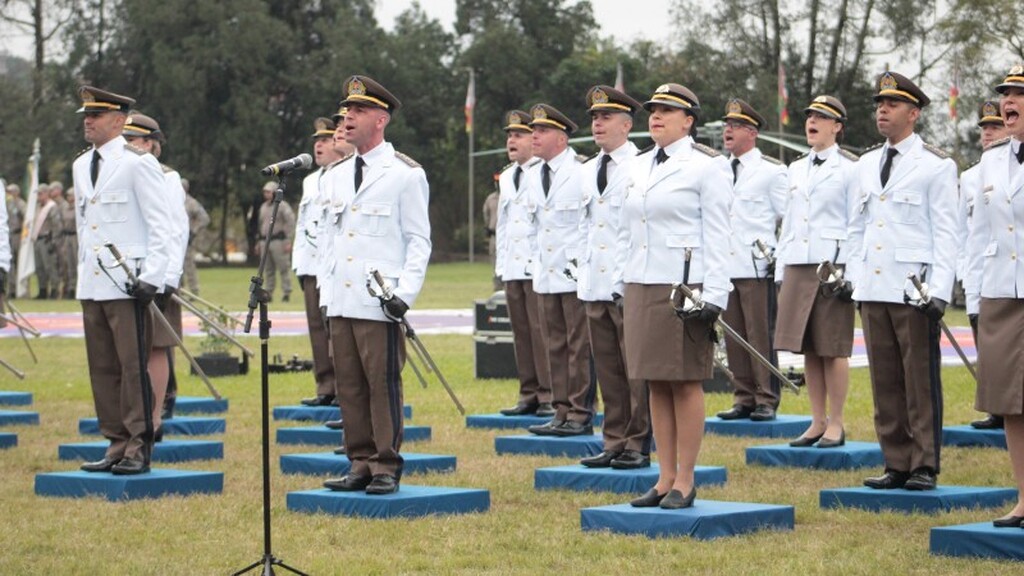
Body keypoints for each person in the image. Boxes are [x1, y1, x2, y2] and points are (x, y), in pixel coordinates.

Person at [617, 83, 731, 509]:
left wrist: (715, 294)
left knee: (683, 381)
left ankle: (686, 478)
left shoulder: (706, 166)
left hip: (684, 288)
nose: (657, 116)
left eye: (668, 110)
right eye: (653, 109)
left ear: (689, 120)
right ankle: (663, 477)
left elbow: (720, 233)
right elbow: (627, 229)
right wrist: (620, 282)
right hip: (642, 283)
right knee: (655, 382)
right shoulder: (639, 164)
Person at [320, 75, 431, 495]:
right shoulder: (336, 174)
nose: (348, 117)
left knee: (381, 383)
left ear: (380, 119)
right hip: (341, 297)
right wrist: (326, 294)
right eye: (347, 110)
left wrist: (404, 294)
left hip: (378, 299)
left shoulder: (404, 173)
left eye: (359, 111)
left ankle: (385, 463)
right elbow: (331, 239)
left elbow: (419, 240)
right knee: (348, 384)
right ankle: (359, 461)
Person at [853, 72, 958, 491]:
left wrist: (940, 289)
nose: (882, 109)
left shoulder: (936, 165)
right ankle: (895, 460)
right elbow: (856, 227)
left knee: (919, 378)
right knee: (885, 379)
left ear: (913, 114)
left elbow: (947, 232)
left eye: (892, 104)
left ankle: (924, 463)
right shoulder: (863, 164)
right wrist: (854, 277)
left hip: (913, 289)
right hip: (874, 287)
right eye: (880, 103)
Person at [73, 85, 174, 475]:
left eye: (95, 115)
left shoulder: (137, 163)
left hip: (127, 281)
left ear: (118, 121)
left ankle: (138, 446)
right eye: (86, 115)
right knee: (102, 367)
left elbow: (159, 223)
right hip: (94, 281)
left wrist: (153, 277)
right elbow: (87, 224)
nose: (88, 121)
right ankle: (115, 442)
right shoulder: (82, 165)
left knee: (133, 367)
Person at [775, 95, 861, 448]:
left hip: (831, 265)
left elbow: (857, 223)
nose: (812, 121)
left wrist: (850, 272)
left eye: (821, 117)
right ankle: (816, 420)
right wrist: (782, 268)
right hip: (798, 260)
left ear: (837, 126)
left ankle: (837, 423)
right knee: (807, 346)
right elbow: (789, 221)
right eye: (810, 115)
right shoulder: (796, 168)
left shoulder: (851, 169)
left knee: (833, 347)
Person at [575, 85, 651, 469]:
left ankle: (638, 442)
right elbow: (584, 226)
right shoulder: (586, 170)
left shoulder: (643, 166)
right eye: (594, 117)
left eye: (605, 117)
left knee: (634, 368)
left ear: (626, 124)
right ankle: (614, 438)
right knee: (607, 367)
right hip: (595, 284)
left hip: (629, 281)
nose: (597, 123)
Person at [966, 65, 1024, 528]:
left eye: (1019, 94)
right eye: (1006, 93)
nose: (1009, 101)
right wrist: (974, 296)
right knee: (1010, 402)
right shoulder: (990, 160)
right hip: (1002, 292)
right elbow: (978, 233)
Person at [523, 103, 596, 437]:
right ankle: (560, 409)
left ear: (562, 138)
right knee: (553, 344)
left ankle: (581, 412)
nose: (533, 136)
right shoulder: (532, 173)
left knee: (578, 345)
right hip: (546, 272)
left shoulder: (583, 171)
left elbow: (590, 223)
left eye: (541, 131)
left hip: (574, 274)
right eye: (533, 130)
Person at [717, 98, 788, 422]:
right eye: (726, 126)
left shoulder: (772, 172)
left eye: (734, 126)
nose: (727, 131)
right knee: (733, 335)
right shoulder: (718, 169)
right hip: (724, 266)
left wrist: (779, 258)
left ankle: (766, 397)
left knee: (760, 334)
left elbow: (790, 218)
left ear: (752, 132)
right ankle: (743, 395)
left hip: (756, 266)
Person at [122, 111, 189, 439]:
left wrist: (167, 278)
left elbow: (175, 230)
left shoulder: (166, 177)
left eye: (132, 140)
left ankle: (155, 419)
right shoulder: (119, 172)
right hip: (126, 276)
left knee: (156, 348)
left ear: (150, 144)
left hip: (157, 275)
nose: (127, 146)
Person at [494, 110, 553, 418]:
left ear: (534, 139)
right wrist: (501, 266)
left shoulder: (545, 173)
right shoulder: (506, 176)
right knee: (521, 332)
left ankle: (548, 394)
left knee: (541, 330)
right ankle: (528, 392)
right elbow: (504, 224)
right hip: (513, 267)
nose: (511, 141)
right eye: (509, 135)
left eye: (518, 135)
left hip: (536, 267)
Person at [960, 100, 1007, 431]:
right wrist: (967, 275)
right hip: (985, 271)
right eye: (985, 128)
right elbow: (967, 230)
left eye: (995, 126)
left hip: (1010, 272)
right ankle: (996, 407)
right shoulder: (971, 175)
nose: (988, 133)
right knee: (988, 347)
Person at [294, 117, 344, 408]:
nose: (319, 146)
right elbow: (303, 225)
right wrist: (299, 264)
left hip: (333, 265)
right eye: (316, 141)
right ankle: (325, 386)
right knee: (315, 326)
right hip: (311, 264)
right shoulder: (309, 180)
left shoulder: (343, 175)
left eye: (325, 140)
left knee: (334, 328)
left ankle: (342, 387)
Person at [257, 180, 295, 302]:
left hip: (278, 240)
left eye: (268, 192)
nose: (266, 194)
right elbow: (261, 225)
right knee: (267, 269)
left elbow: (290, 222)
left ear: (274, 192)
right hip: (265, 241)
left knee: (283, 267)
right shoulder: (263, 207)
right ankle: (268, 292)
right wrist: (259, 242)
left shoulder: (282, 206)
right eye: (265, 192)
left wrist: (288, 239)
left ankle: (286, 292)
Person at [182, 179, 210, 296]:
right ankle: (179, 290)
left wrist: (193, 232)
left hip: (187, 238)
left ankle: (194, 291)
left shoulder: (191, 203)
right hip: (175, 238)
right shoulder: (171, 201)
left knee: (189, 265)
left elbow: (204, 218)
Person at [31, 183, 59, 299]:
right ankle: (42, 290)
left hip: (47, 240)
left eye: (41, 194)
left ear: (47, 194)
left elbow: (56, 225)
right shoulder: (38, 207)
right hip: (38, 240)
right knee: (39, 267)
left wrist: (53, 241)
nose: (39, 196)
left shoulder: (52, 207)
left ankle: (54, 290)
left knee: (50, 267)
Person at [5, 184, 26, 295]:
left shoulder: (21, 204)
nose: (9, 194)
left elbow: (26, 219)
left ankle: (22, 290)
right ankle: (12, 289)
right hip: (9, 235)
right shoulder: (6, 204)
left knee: (20, 262)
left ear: (17, 192)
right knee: (10, 263)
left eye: (11, 192)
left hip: (19, 235)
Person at [59, 186, 78, 298]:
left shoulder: (78, 208)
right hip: (67, 236)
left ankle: (77, 288)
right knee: (69, 263)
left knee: (76, 262)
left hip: (75, 236)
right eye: (68, 196)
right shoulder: (65, 209)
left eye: (71, 195)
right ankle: (71, 287)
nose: (69, 197)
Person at [483, 181, 501, 290]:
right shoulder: (491, 199)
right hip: (494, 233)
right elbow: (486, 213)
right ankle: (497, 284)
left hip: (508, 235)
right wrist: (488, 226)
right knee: (494, 258)